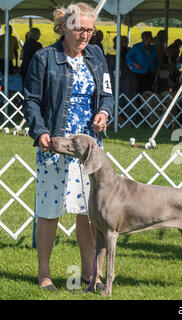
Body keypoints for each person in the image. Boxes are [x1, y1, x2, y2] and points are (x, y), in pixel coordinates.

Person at [23, 2, 113, 291]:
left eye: (90, 29)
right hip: (55, 144)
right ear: (64, 26)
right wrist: (40, 132)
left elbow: (107, 95)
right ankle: (44, 275)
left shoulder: (97, 56)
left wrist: (104, 113)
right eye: (79, 29)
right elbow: (32, 101)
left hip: (89, 150)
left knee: (89, 214)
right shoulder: (44, 58)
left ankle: (90, 275)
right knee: (49, 211)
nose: (85, 35)